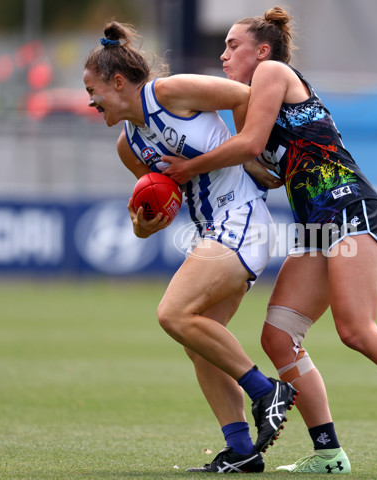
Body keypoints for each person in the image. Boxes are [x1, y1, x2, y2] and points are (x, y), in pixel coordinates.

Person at [164, 6, 377, 474]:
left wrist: (188, 167)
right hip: (314, 222)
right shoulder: (243, 100)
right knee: (278, 337)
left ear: (263, 51)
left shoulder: (273, 72)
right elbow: (258, 164)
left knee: (356, 330)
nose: (224, 54)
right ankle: (329, 453)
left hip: (350, 206)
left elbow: (249, 145)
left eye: (233, 45)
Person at [83, 20, 298, 474]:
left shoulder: (169, 93)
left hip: (242, 217)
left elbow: (246, 97)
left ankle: (267, 391)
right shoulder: (129, 146)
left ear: (118, 82)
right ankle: (242, 450)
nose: (90, 100)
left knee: (172, 314)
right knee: (197, 342)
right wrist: (144, 225)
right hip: (212, 231)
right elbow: (151, 218)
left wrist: (250, 153)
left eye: (93, 89)